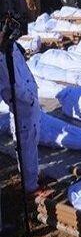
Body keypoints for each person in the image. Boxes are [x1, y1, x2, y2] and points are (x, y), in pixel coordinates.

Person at [0, 21, 40, 195]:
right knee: (26, 147)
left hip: (29, 105)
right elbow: (11, 87)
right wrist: (29, 99)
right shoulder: (3, 57)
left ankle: (32, 180)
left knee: (31, 143)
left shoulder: (12, 48)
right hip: (22, 107)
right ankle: (30, 186)